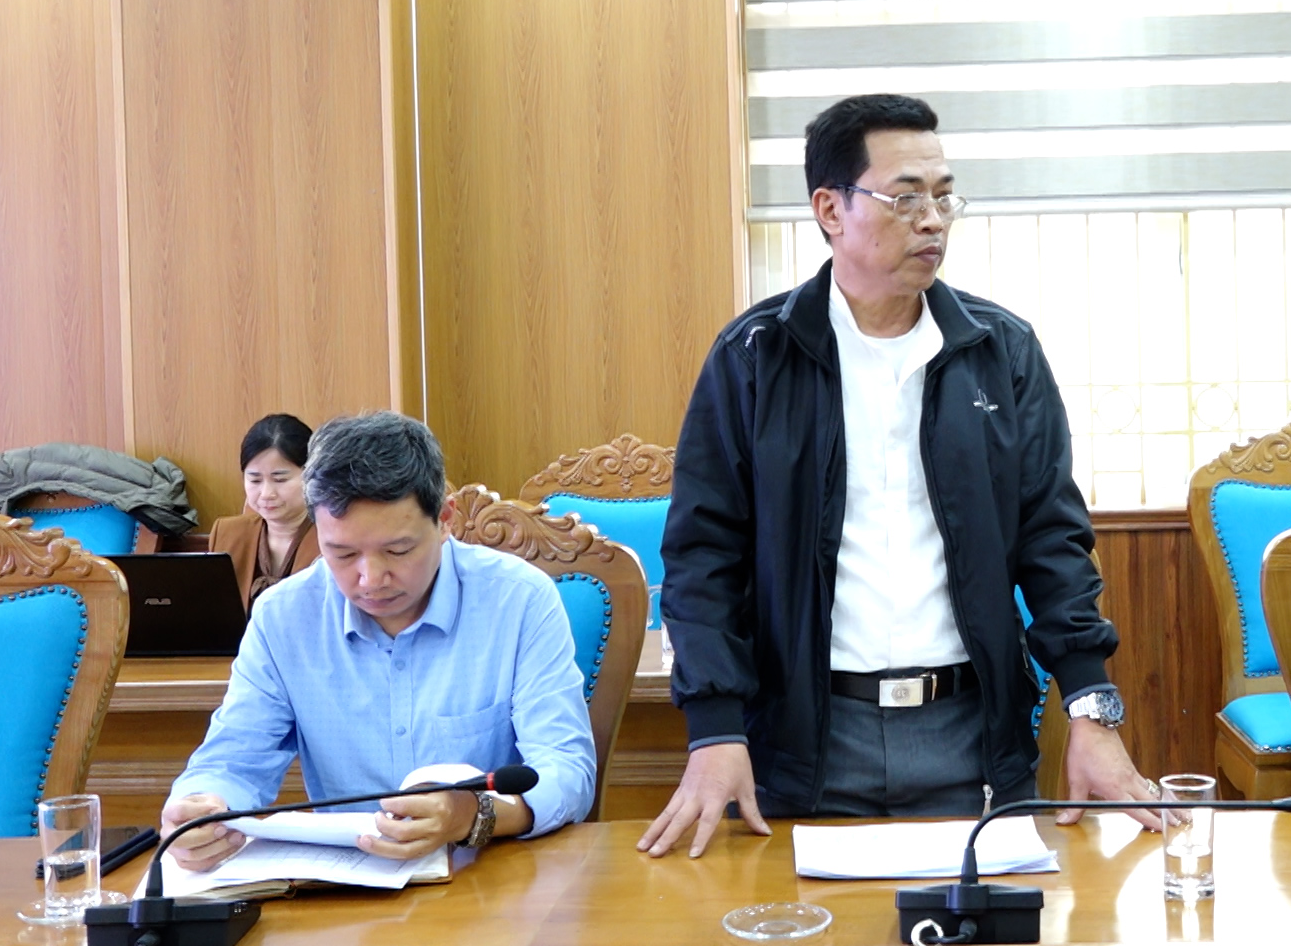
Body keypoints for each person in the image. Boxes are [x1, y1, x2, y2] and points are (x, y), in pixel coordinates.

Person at [640, 94, 1159, 860]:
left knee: (988, 917)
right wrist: (715, 728)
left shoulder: (1000, 352)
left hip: (969, 731)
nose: (933, 221)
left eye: (945, 198)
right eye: (907, 198)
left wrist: (1091, 708)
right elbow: (702, 554)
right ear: (830, 209)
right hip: (805, 735)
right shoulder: (755, 357)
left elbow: (1052, 540)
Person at [161, 411, 596, 870]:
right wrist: (200, 808)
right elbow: (232, 761)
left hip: (492, 877)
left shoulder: (518, 599)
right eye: (342, 553)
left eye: (398, 550)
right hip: (343, 886)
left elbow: (566, 769)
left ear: (444, 519)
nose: (370, 579)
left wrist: (473, 815)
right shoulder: (283, 617)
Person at [209, 414, 321, 612]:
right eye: (255, 480)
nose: (266, 493)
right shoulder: (227, 533)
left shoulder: (334, 538)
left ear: (311, 474)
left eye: (280, 480)